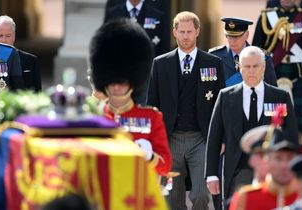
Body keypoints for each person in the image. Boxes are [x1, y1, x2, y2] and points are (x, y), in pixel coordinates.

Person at [146, 11, 225, 210]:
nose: (186, 36)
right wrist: (153, 139)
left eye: (190, 31)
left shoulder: (213, 63)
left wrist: (221, 138)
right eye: (182, 31)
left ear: (197, 32)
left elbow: (221, 105)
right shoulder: (160, 64)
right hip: (170, 139)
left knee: (200, 194)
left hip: (200, 139)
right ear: (174, 32)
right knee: (172, 198)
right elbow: (152, 105)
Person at [205, 46, 298, 208]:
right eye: (247, 66)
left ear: (263, 67)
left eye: (256, 66)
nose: (251, 70)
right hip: (236, 169)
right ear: (240, 68)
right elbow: (214, 137)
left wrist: (292, 170)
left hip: (270, 172)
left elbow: (291, 135)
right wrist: (211, 174)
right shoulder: (226, 96)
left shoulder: (279, 96)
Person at [88, 18, 171, 176]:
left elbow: (165, 166)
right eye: (112, 81)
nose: (117, 87)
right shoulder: (94, 116)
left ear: (133, 82)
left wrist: (150, 156)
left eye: (122, 82)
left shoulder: (152, 118)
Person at [253, 0, 302, 139]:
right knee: (273, 120)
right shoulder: (267, 17)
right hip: (273, 74)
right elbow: (257, 49)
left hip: (300, 76)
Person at [229, 127, 298, 210]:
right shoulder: (247, 198)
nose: (284, 165)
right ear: (266, 160)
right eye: (278, 158)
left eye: (290, 158)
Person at [209, 17, 277, 87]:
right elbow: (209, 87)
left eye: (236, 37)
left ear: (247, 35)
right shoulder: (214, 56)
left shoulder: (263, 57)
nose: (232, 41)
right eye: (229, 36)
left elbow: (272, 90)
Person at [104, 0, 169, 57]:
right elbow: (105, 44)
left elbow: (163, 48)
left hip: (147, 66)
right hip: (119, 66)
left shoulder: (157, 16)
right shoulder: (113, 14)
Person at [0, 15, 42, 91]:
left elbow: (37, 94)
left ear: (14, 36)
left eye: (8, 36)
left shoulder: (31, 61)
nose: (4, 40)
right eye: (0, 35)